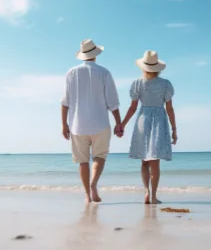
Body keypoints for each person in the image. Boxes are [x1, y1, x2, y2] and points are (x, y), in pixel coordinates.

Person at [61, 39, 124, 203]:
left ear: (82, 55)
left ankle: (87, 195)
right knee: (100, 157)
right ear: (96, 54)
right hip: (100, 124)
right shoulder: (104, 72)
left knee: (82, 161)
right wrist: (119, 123)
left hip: (77, 125)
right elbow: (113, 102)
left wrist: (64, 125)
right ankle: (94, 185)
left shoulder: (71, 72)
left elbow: (65, 102)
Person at [121, 50, 177, 204]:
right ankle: (153, 196)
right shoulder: (165, 84)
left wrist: (122, 124)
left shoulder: (137, 83)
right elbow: (170, 109)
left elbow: (132, 108)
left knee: (144, 160)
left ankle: (146, 192)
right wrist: (174, 130)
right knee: (155, 161)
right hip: (159, 119)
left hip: (143, 119)